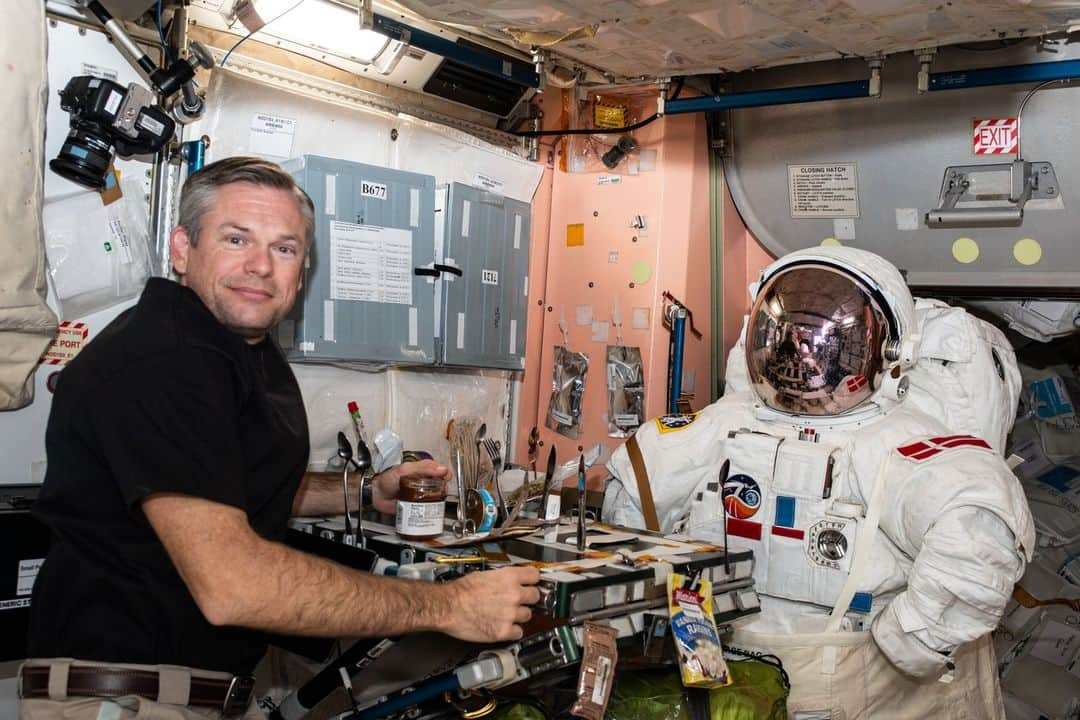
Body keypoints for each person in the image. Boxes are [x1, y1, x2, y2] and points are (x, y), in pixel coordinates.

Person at [20, 157, 540, 720]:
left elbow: (231, 481)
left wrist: (367, 490)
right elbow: (234, 586)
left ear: (303, 268)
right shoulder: (164, 360)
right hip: (127, 697)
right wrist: (449, 605)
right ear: (181, 249)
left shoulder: (235, 351)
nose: (260, 266)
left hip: (187, 690)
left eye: (285, 248)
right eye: (236, 238)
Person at [603, 245, 1034, 718]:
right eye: (787, 336)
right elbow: (631, 506)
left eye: (821, 341)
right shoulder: (722, 425)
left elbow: (979, 533)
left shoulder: (901, 442)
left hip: (863, 683)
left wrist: (915, 636)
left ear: (890, 352)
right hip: (722, 670)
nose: (799, 354)